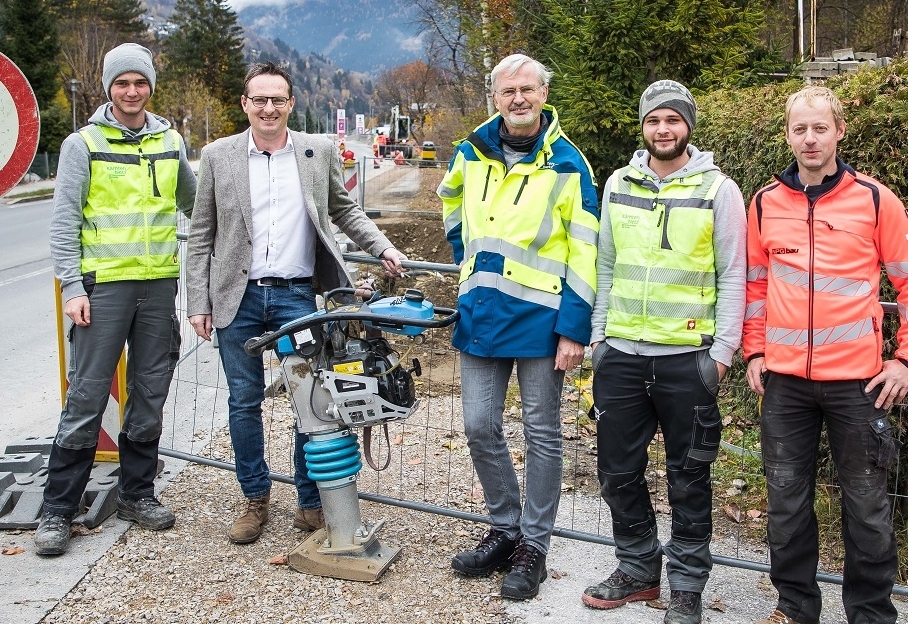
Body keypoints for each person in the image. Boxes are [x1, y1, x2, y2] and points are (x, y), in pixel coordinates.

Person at [185, 62, 407, 545]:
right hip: (236, 297)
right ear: (245, 104)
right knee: (244, 403)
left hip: (296, 298)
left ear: (290, 103)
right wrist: (197, 302)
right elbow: (201, 234)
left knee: (311, 401)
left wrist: (383, 248)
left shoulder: (316, 150)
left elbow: (343, 208)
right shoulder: (218, 156)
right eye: (259, 100)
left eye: (278, 100)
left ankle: (310, 504)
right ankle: (254, 499)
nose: (268, 108)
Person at [582, 80, 747, 624]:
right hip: (622, 358)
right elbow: (604, 265)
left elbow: (734, 275)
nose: (663, 130)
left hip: (687, 359)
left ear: (688, 127)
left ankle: (687, 585)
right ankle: (636, 568)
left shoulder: (718, 190)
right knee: (616, 471)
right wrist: (599, 341)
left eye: (673, 120)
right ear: (644, 126)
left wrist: (720, 354)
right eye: (655, 120)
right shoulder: (617, 184)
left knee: (689, 477)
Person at [743, 85, 908, 624]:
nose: (809, 139)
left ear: (839, 131)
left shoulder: (877, 201)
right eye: (799, 129)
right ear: (787, 135)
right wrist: (754, 351)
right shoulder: (765, 203)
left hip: (858, 385)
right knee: (787, 506)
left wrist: (902, 360)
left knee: (866, 509)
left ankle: (871, 614)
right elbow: (755, 285)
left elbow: (907, 285)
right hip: (786, 384)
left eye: (820, 128)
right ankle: (794, 609)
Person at [438, 53, 599, 600]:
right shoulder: (470, 151)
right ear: (495, 97)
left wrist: (576, 328)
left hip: (542, 319)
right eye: (508, 91)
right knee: (480, 425)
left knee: (542, 434)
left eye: (527, 89)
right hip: (481, 310)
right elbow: (452, 207)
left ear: (544, 93)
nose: (518, 99)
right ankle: (505, 529)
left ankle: (534, 544)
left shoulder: (570, 165)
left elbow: (585, 249)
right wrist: (468, 262)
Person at [36, 43, 197, 555]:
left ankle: (137, 495)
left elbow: (197, 205)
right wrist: (71, 288)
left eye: (140, 82)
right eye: (122, 83)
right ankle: (58, 511)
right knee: (86, 397)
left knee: (149, 393)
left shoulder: (171, 141)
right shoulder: (82, 144)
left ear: (151, 86)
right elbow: (64, 223)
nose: (132, 91)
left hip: (158, 287)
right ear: (109, 88)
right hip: (102, 289)